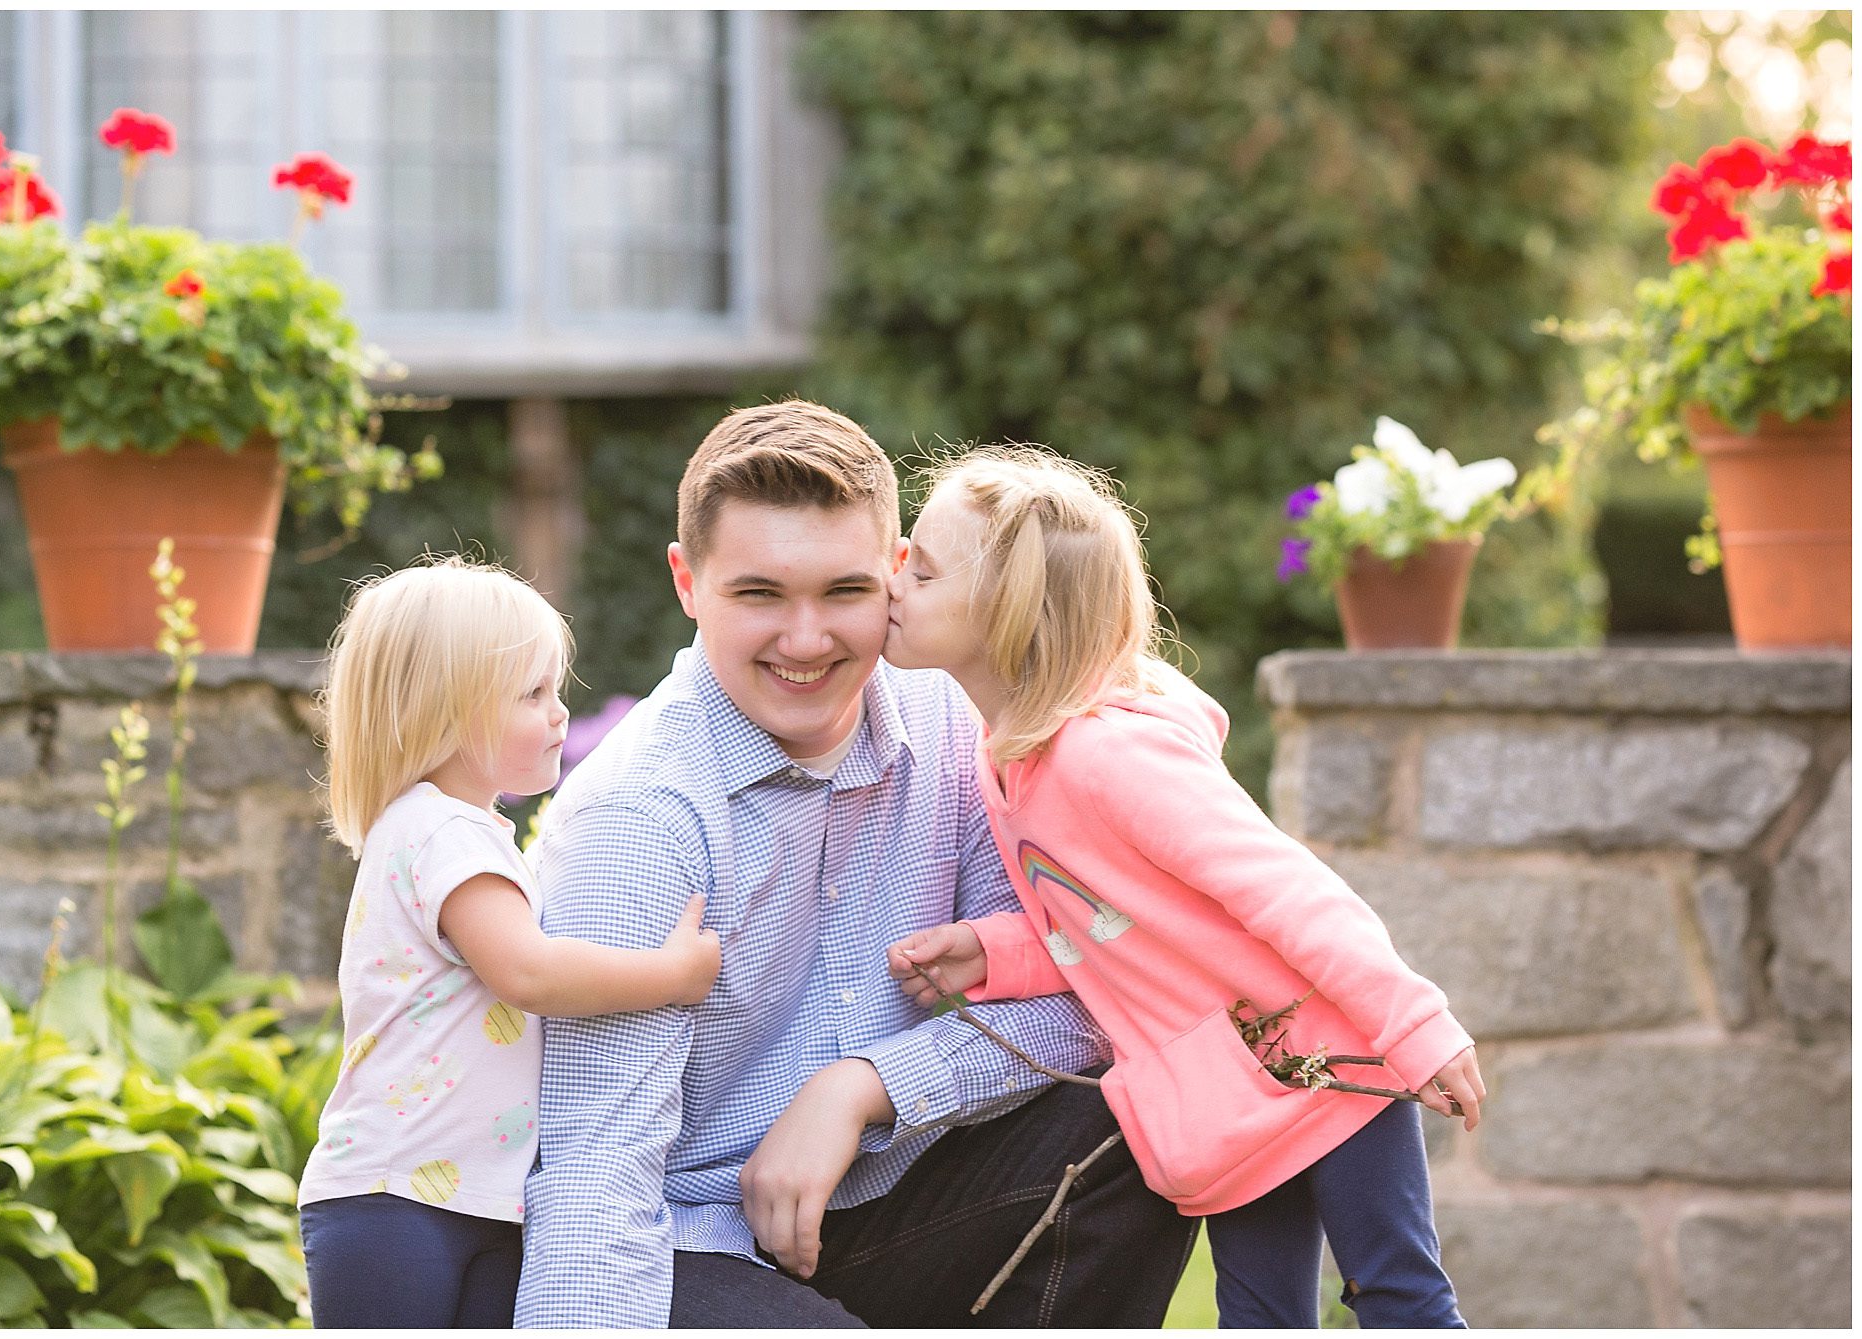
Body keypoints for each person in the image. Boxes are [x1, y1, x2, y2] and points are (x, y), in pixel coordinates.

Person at [515, 401, 1195, 1328]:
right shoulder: (641, 815)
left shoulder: (956, 721)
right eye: (759, 594)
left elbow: (1088, 989)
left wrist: (864, 1088)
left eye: (843, 592)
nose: (806, 641)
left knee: (1138, 1119)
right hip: (686, 1235)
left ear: (900, 572)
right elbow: (599, 1164)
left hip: (888, 1191)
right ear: (687, 580)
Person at [882, 445, 1483, 1328]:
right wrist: (993, 952)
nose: (891, 582)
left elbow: (1285, 889)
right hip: (1226, 1104)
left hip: (1329, 1060)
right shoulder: (1010, 760)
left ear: (1008, 613)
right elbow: (1110, 927)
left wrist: (1414, 1025)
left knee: (1400, 1296)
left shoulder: (1105, 756)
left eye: (922, 570)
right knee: (1260, 1315)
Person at [296, 556, 721, 1328]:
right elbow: (528, 972)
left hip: (471, 1196)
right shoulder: (443, 828)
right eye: (532, 693)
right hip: (401, 1201)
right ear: (444, 711)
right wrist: (669, 974)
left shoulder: (463, 831)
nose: (560, 713)